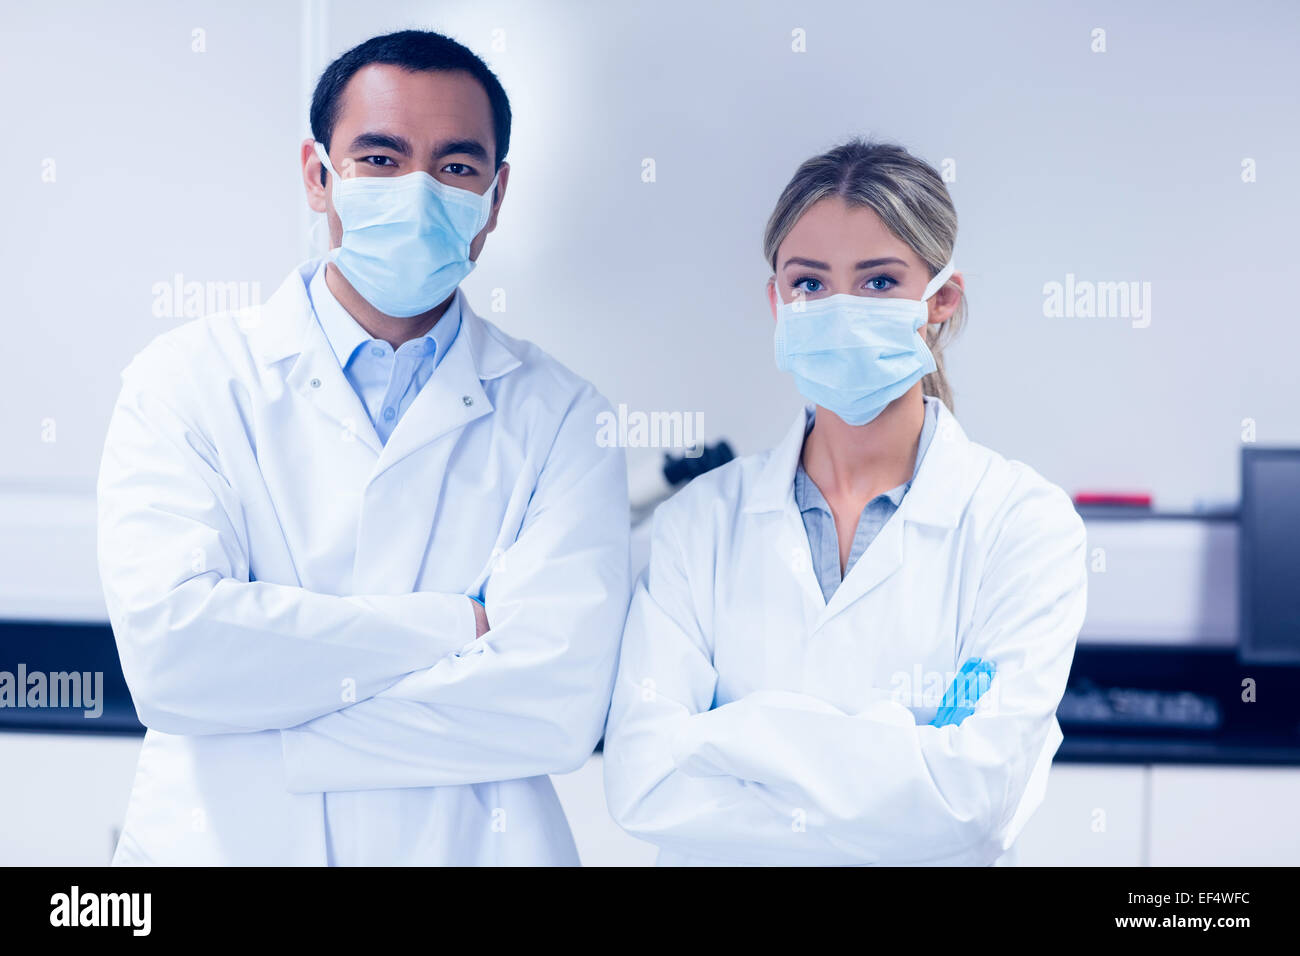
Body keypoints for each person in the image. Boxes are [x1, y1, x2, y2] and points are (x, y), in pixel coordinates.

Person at [97, 30, 630, 865]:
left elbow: (555, 705)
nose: (417, 194)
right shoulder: (183, 381)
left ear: (495, 197)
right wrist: (459, 625)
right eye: (380, 159)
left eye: (455, 168)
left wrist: (277, 728)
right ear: (319, 175)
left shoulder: (564, 418)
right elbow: (175, 658)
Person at [602, 140, 1087, 866]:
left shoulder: (1024, 523)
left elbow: (972, 808)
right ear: (777, 301)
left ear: (940, 299)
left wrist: (733, 733)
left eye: (880, 281)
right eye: (810, 285)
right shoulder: (699, 523)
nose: (839, 310)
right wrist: (900, 749)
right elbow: (643, 781)